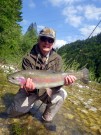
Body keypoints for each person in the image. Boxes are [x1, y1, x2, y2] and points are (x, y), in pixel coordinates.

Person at [7, 27, 76, 122]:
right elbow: (24, 84)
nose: (47, 42)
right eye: (44, 39)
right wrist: (29, 89)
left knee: (62, 93)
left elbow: (57, 83)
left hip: (47, 91)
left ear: (53, 43)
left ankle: (47, 116)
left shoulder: (57, 59)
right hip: (30, 92)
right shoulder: (28, 58)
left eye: (50, 40)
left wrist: (65, 83)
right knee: (12, 113)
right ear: (39, 40)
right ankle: (28, 106)